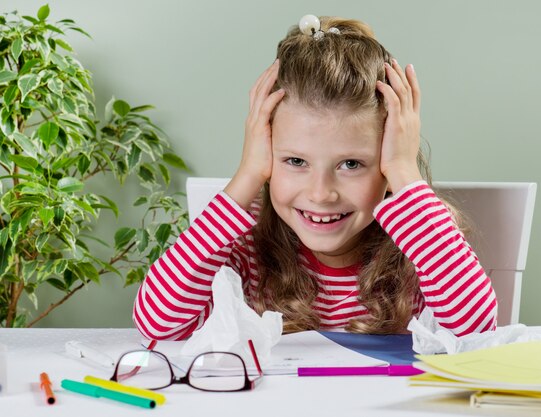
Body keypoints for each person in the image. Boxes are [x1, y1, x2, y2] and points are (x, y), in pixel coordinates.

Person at [133, 15, 497, 340]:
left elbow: (476, 331)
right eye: (295, 161)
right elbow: (159, 324)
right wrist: (247, 175)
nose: (321, 194)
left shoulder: (424, 240)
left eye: (351, 164)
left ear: (388, 161)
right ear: (265, 156)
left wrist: (404, 173)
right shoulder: (245, 246)